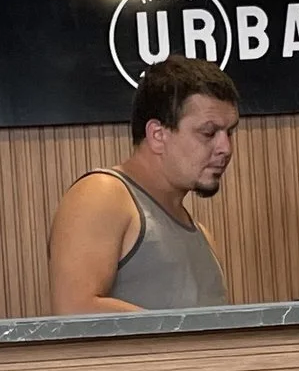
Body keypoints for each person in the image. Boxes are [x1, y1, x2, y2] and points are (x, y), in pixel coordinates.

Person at [47, 62, 237, 314]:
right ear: (158, 135)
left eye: (229, 132)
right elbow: (74, 310)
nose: (225, 148)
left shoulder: (203, 236)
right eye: (208, 132)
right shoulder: (102, 195)